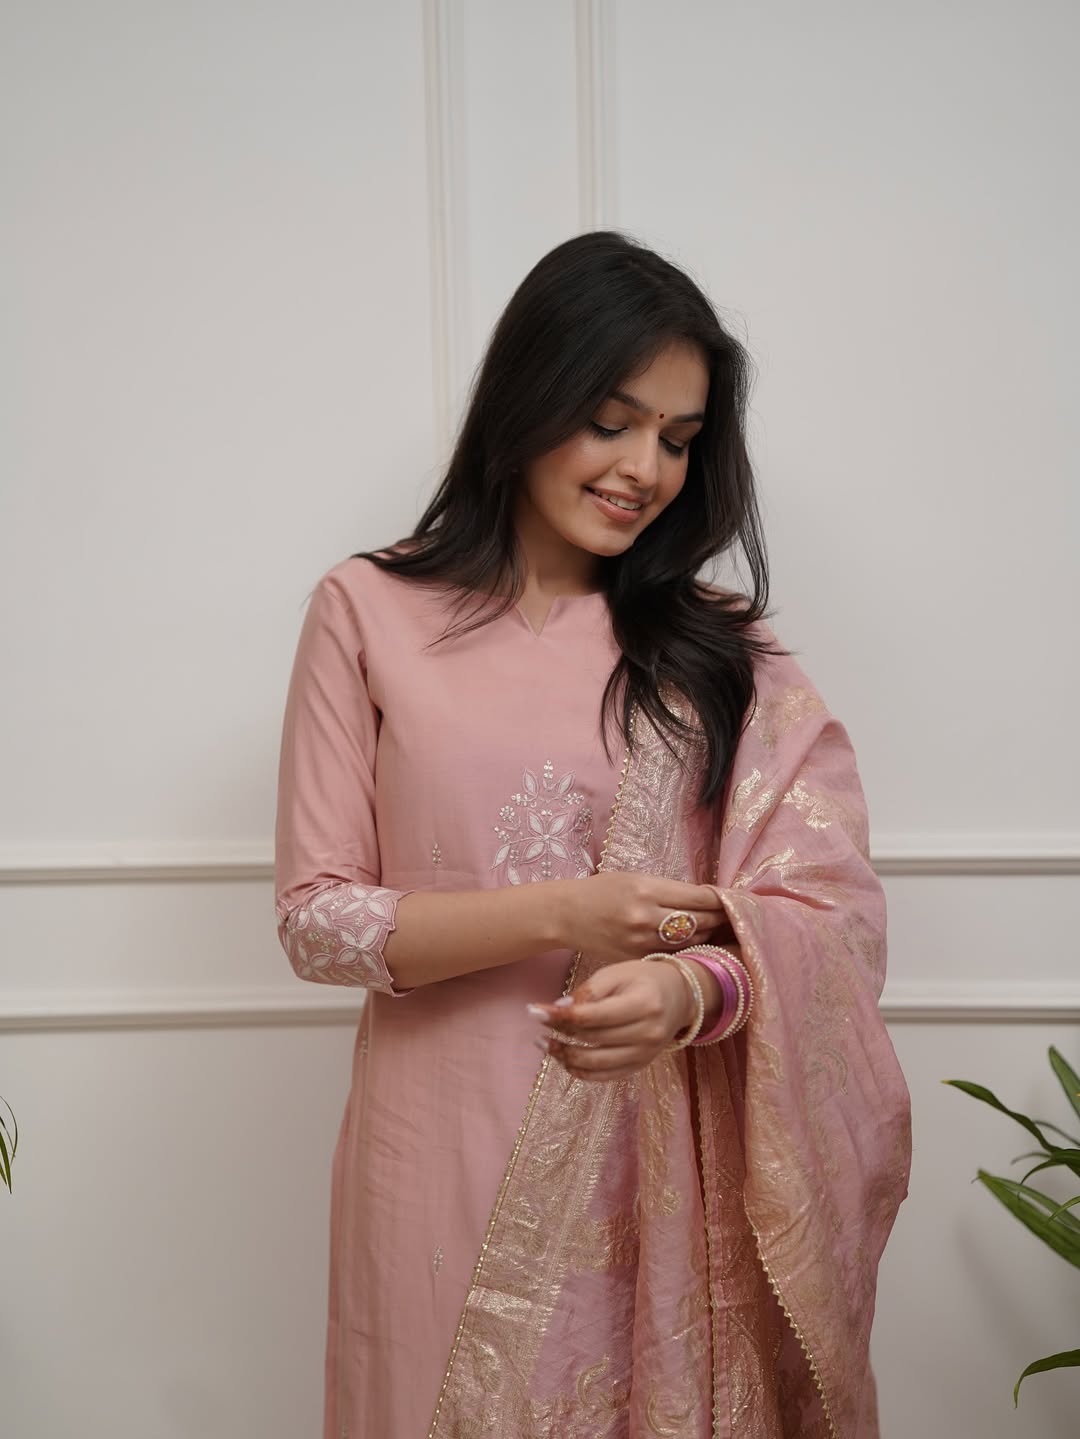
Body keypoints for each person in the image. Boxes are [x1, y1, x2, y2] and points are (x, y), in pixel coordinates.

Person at [274, 231, 911, 1439]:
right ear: (531, 400)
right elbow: (316, 919)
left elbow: (826, 908)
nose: (646, 469)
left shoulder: (720, 649)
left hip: (659, 1163)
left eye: (678, 438)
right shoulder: (367, 609)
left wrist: (690, 992)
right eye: (615, 421)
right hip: (442, 1146)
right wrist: (568, 914)